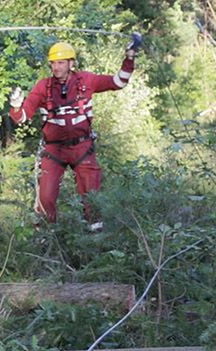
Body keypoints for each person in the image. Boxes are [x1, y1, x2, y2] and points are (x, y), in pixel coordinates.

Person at [8, 33, 142, 231]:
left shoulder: (86, 80)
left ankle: (95, 241)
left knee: (92, 197)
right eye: (53, 63)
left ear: (71, 63)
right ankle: (47, 241)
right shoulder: (43, 87)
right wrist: (16, 106)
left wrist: (129, 58)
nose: (56, 67)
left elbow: (119, 82)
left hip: (83, 147)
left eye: (61, 63)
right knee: (45, 197)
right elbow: (23, 117)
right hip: (54, 150)